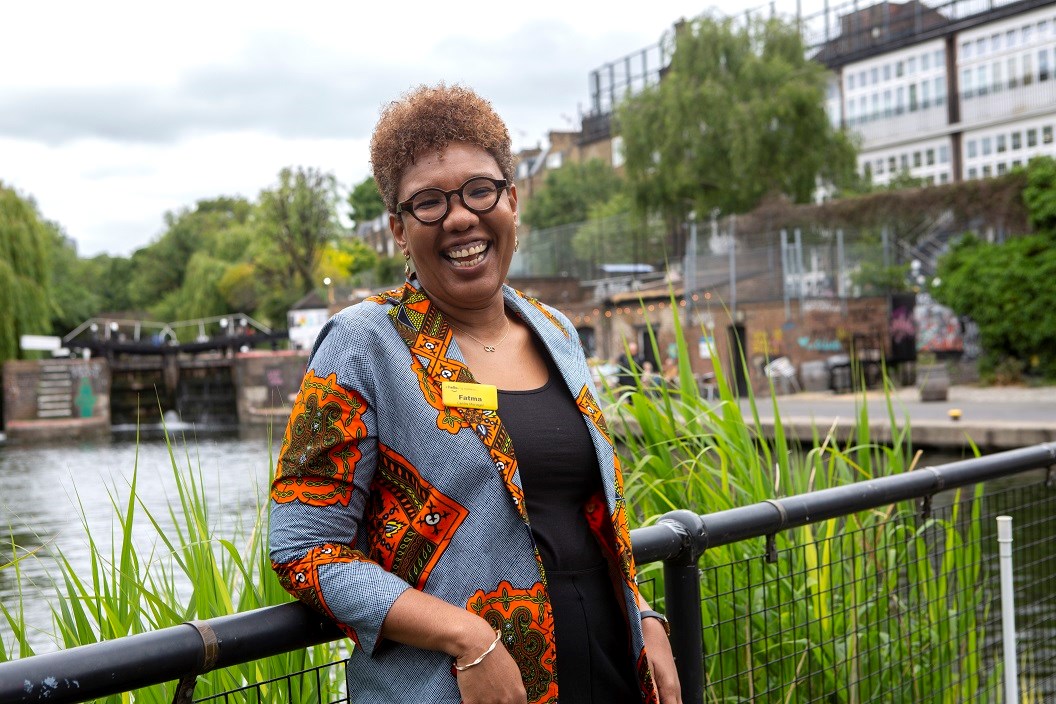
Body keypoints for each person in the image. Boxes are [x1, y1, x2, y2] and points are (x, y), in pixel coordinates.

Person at [269, 84, 681, 704]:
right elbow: (301, 546)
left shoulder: (557, 331)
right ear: (398, 231)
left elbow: (575, 521)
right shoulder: (365, 345)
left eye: (479, 191)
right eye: (428, 203)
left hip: (613, 677)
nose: (460, 216)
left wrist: (643, 611)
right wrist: (466, 636)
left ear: (512, 201)